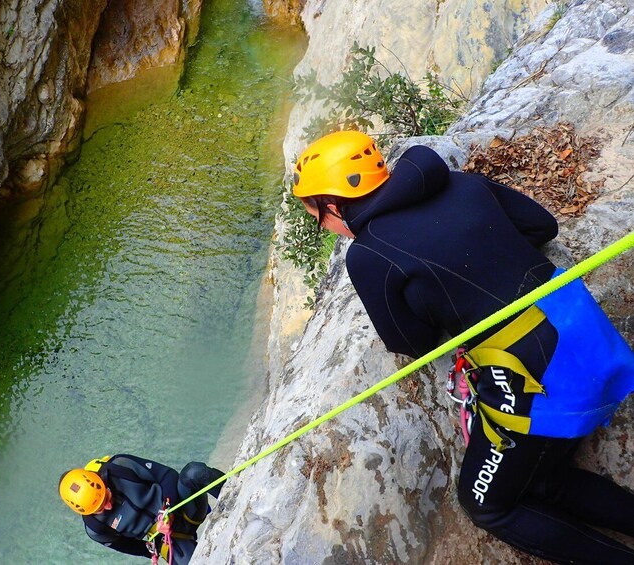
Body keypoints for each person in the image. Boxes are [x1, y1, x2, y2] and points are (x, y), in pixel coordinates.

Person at [291, 129, 634, 563]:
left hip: (542, 378)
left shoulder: (369, 255)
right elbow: (541, 225)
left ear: (334, 205)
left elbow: (409, 342)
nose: (323, 226)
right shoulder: (458, 182)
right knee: (541, 479)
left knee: (486, 502)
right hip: (588, 334)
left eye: (316, 215)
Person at [59, 454, 224, 564]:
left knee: (194, 472)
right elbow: (129, 546)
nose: (109, 505)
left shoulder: (119, 466)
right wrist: (157, 547)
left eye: (106, 497)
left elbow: (166, 475)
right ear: (86, 512)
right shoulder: (95, 528)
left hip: (183, 507)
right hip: (170, 539)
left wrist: (167, 509)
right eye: (101, 508)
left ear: (99, 480)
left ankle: (235, 490)